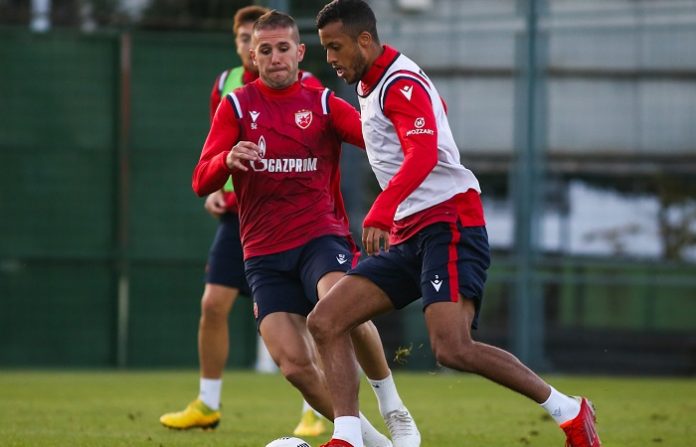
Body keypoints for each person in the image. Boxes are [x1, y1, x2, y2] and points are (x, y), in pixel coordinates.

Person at [308, 1, 603, 447]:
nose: (330, 58)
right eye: (326, 48)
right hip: (410, 234)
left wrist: (383, 207)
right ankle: (346, 437)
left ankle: (568, 409)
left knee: (452, 348)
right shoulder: (375, 84)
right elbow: (434, 111)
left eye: (336, 46)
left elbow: (423, 153)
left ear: (364, 40)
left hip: (449, 223)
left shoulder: (398, 83)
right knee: (326, 320)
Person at [192, 10, 420, 447]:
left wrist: (418, 121)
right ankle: (371, 441)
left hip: (320, 236)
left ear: (299, 53)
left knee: (341, 308)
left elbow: (378, 139)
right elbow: (201, 179)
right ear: (253, 59)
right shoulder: (236, 105)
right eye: (265, 50)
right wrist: (225, 160)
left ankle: (393, 407)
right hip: (262, 252)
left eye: (283, 48)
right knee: (294, 364)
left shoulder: (321, 103)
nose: (275, 57)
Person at [160, 6, 326, 437]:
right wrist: (217, 188)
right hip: (241, 219)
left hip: (296, 222)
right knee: (212, 304)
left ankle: (316, 407)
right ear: (243, 46)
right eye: (249, 42)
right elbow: (215, 151)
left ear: (296, 51)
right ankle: (208, 404)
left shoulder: (308, 88)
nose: (266, 54)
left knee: (311, 316)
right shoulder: (227, 88)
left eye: (279, 46)